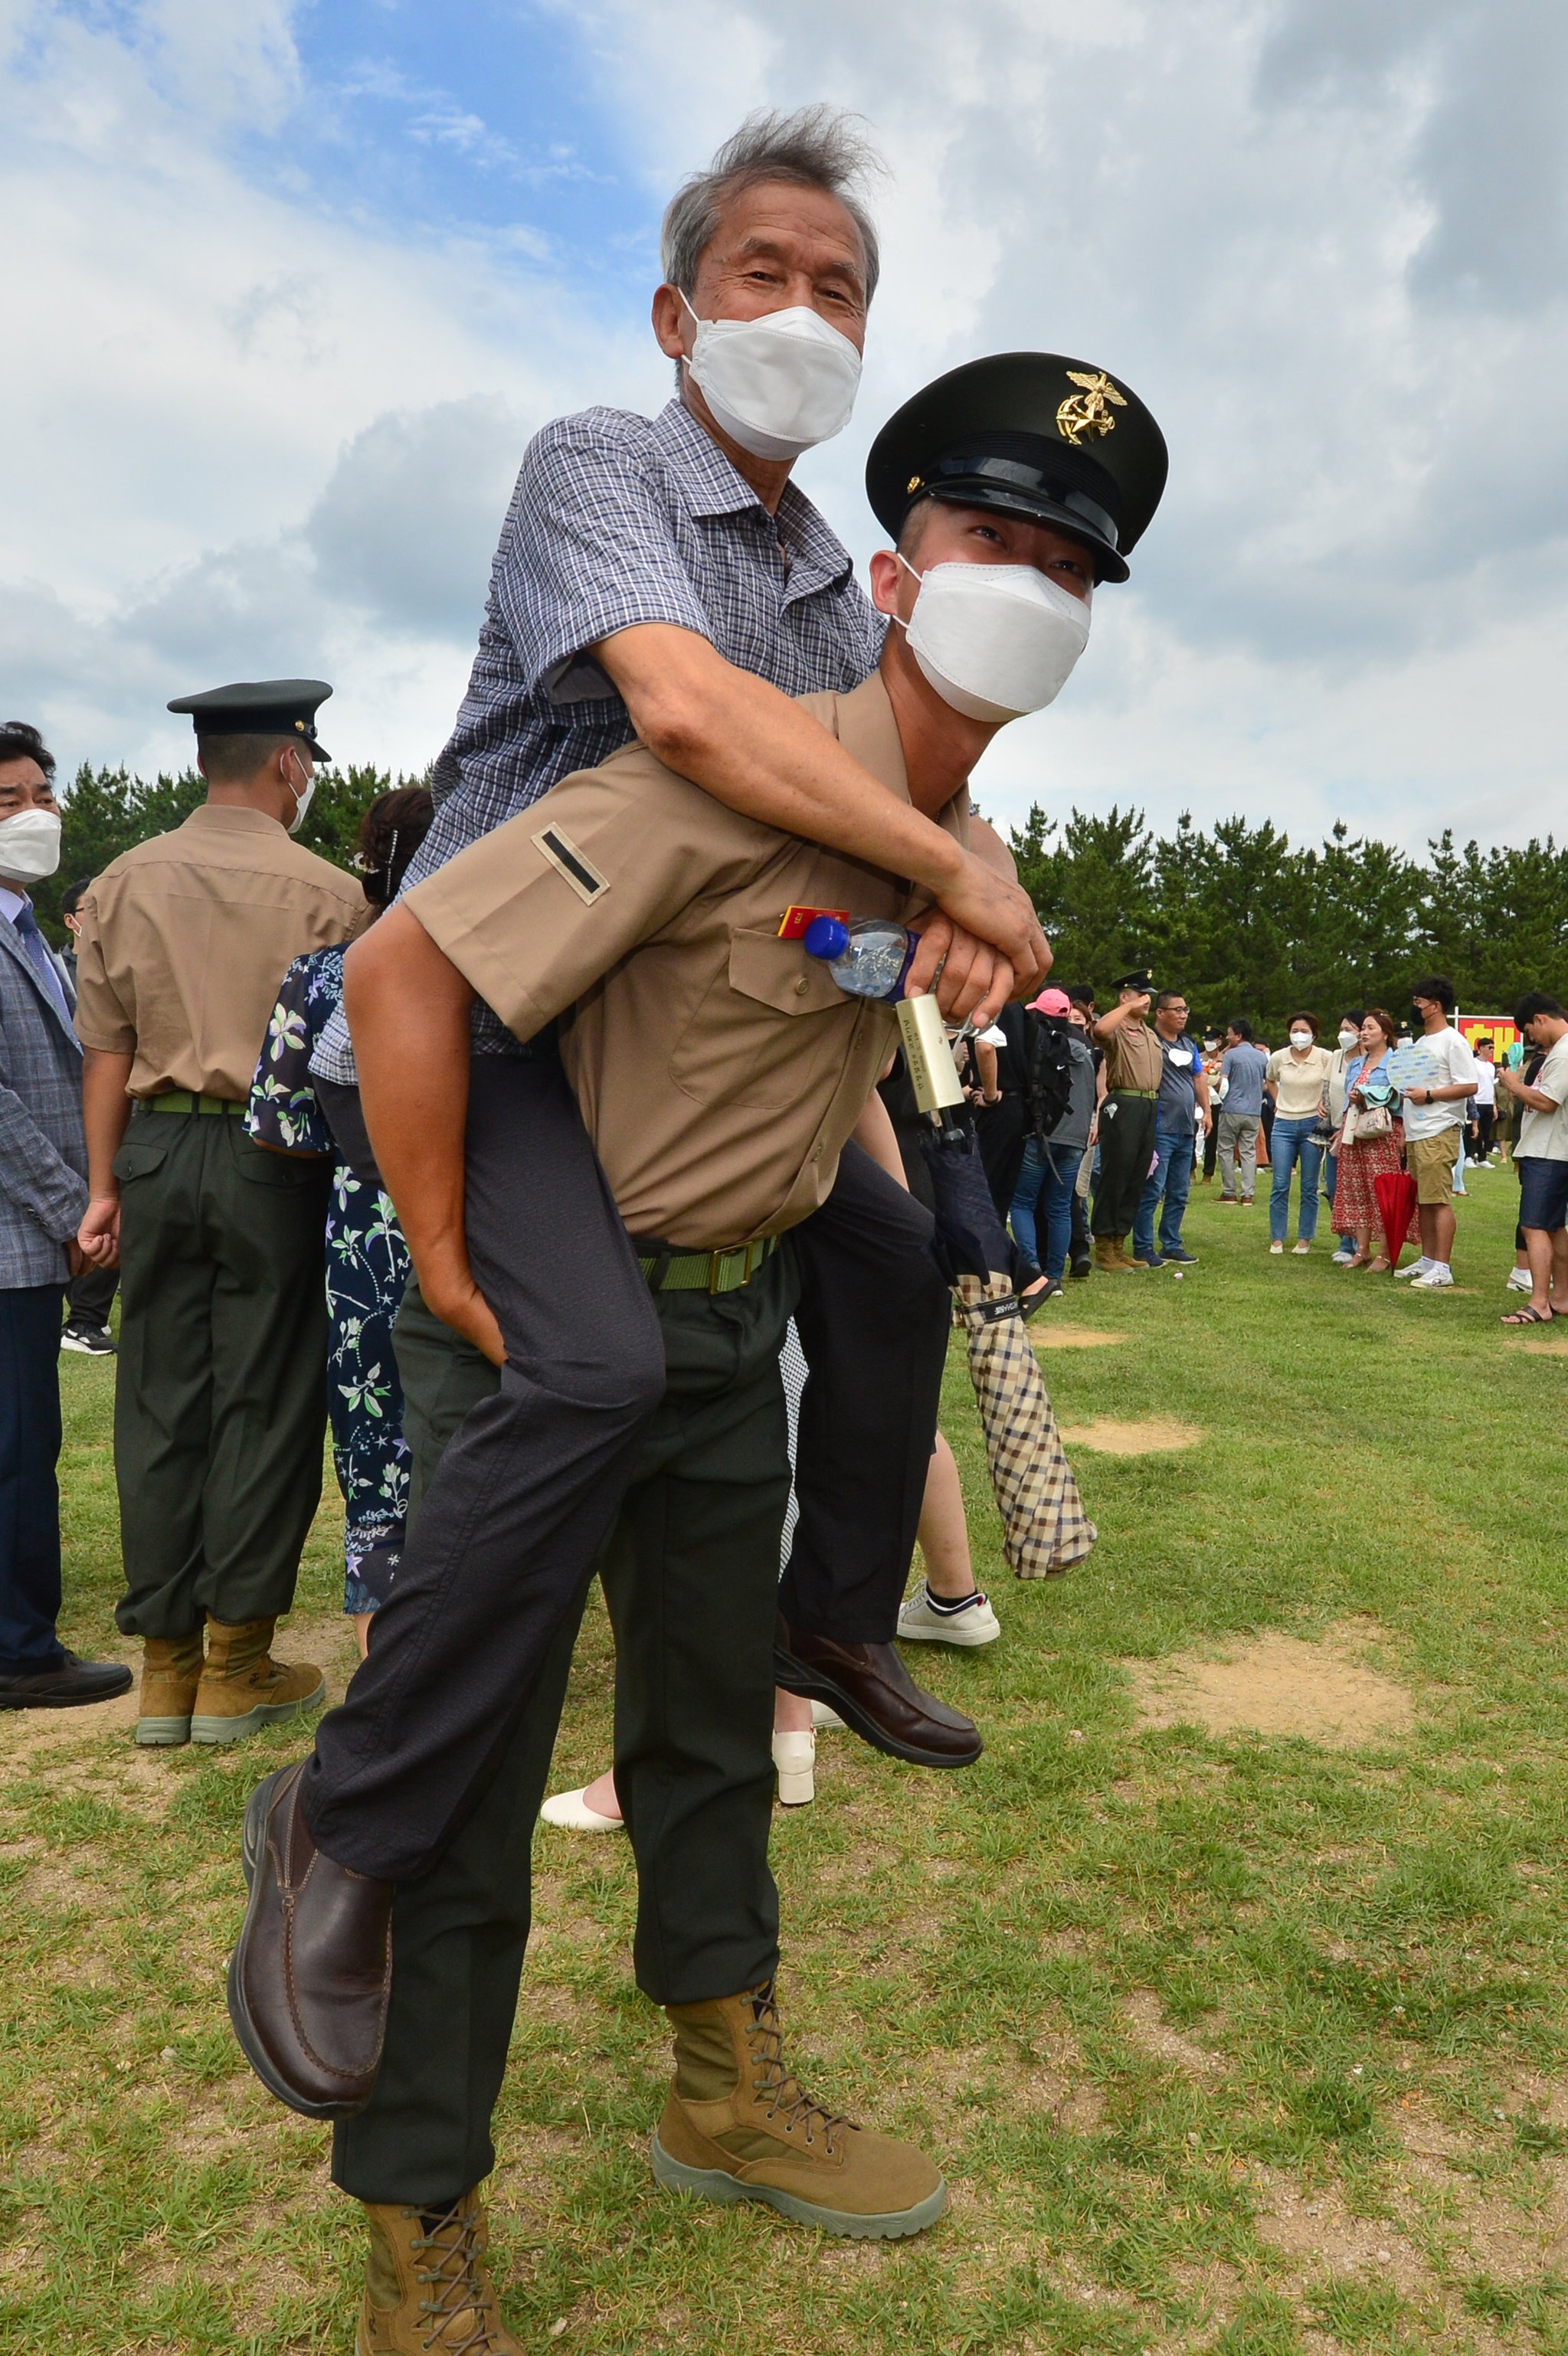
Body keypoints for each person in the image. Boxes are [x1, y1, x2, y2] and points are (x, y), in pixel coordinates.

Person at [225, 353, 1168, 2334]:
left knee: (710, 1748)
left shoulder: (945, 837)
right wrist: (446, 1256)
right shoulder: (708, 767)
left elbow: (819, 1056)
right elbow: (408, 965)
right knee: (471, 1781)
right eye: (986, 540)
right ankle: (417, 2214)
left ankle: (722, 2084)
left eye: (1072, 570)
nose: (1028, 588)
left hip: (735, 1337)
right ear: (887, 575)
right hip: (552, 1335)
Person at [303, 111, 1048, 1785]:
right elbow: (686, 713)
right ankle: (356, 1796)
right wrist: (949, 864)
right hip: (486, 1018)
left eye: (839, 290)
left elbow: (893, 756)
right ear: (675, 315)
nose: (801, 313)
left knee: (892, 1255)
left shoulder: (817, 565)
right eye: (760, 274)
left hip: (653, 1043)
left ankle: (838, 1616)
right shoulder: (603, 464)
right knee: (592, 1360)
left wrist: (973, 862)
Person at [72, 681, 366, 1746]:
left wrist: (105, 1186)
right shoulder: (331, 893)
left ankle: (164, 1673)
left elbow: (104, 1051)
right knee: (268, 1396)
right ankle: (236, 1663)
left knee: (156, 1396)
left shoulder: (120, 880)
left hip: (152, 1148)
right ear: (288, 762)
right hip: (274, 1157)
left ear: (207, 763)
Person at [246, 788, 434, 1655]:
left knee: (373, 1435)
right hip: (479, 1215)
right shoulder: (489, 967)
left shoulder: (318, 977)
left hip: (363, 1225)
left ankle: (382, 1646)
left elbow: (278, 1123)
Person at [0, 722, 132, 1713]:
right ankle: (19, 1648)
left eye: (41, 794)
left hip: (31, 1234)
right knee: (14, 1442)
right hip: (16, 1234)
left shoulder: (28, 931)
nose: (36, 816)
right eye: (10, 801)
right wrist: (76, 1209)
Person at [54, 877, 121, 1354]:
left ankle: (86, 1318)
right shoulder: (59, 970)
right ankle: (82, 1320)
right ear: (71, 921)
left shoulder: (120, 968)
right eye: (88, 908)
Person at [1008, 986, 1098, 1294]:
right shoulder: (1085, 1051)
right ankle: (1055, 1276)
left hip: (1042, 1135)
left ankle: (1033, 1271)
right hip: (1075, 1139)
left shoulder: (1040, 1045)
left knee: (1022, 1202)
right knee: (1060, 1206)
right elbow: (1089, 1096)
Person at [1393, 975, 1478, 1291]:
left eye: (1419, 1003)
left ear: (1436, 1006)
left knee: (1438, 1198)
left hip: (1439, 1127)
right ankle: (1428, 1259)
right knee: (1424, 1199)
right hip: (1418, 1130)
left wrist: (1429, 1095)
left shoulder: (1452, 1040)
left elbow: (1470, 1085)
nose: (1415, 1008)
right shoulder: (1421, 1042)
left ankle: (1443, 1266)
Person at [1498, 993, 1568, 1327]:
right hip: (1550, 1149)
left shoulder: (1565, 1050)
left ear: (1540, 1019)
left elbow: (1547, 1102)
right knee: (1554, 1228)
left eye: (1530, 1031)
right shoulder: (1559, 1051)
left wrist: (1514, 1084)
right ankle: (1561, 1297)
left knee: (1534, 1226)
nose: (1532, 1040)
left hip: (1549, 1151)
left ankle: (1539, 1300)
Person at [1131, 989, 1210, 1268]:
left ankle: (1171, 1244)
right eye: (1177, 1010)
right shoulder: (1150, 1041)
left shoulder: (1188, 1044)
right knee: (1153, 1190)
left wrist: (1207, 1111)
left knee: (1179, 1192)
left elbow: (1199, 1077)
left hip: (1186, 1128)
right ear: (1160, 1013)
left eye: (1186, 1010)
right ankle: (1142, 1247)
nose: (1183, 1015)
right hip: (1159, 1127)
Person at [1090, 971, 1163, 1269]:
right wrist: (1125, 1008)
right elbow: (1099, 1031)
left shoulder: (1148, 1032)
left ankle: (1120, 1242)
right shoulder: (1118, 1027)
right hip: (1124, 1102)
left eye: (1149, 994)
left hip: (1148, 1105)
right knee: (1116, 1174)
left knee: (1136, 1176)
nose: (1148, 999)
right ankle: (1104, 1246)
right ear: (1124, 996)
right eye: (1140, 994)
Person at [1331, 1010, 1403, 1270]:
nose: (1364, 1032)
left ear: (1385, 1033)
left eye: (1371, 1028)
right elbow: (1347, 1099)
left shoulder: (1396, 1063)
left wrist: (1367, 1096)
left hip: (1382, 1134)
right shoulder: (1356, 1064)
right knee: (1356, 1191)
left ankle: (1385, 1252)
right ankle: (1362, 1250)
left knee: (1382, 1193)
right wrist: (1341, 1129)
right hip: (1353, 1132)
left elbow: (1400, 1099)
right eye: (1363, 1028)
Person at [1265, 1013, 1332, 1254]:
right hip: (1283, 1123)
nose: (1299, 1035)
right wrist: (1277, 1100)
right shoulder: (1278, 1057)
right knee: (1280, 1183)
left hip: (1312, 1124)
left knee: (1309, 1185)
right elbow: (1270, 1079)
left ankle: (1305, 1238)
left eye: (1304, 1031)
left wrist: (1324, 1106)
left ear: (1314, 1033)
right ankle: (1277, 1238)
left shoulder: (1325, 1057)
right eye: (1294, 1030)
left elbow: (1333, 1085)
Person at [1324, 1007, 1365, 1264]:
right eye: (1342, 1028)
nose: (1343, 1034)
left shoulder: (1370, 1060)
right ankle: (1344, 1239)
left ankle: (1357, 1245)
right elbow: (1327, 1088)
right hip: (1334, 1131)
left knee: (1356, 1191)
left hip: (1359, 1131)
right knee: (1333, 1188)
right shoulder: (1336, 1057)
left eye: (1349, 1029)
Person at [1216, 1018, 1267, 1204]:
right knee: (1249, 1152)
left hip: (1231, 1108)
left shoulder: (1231, 1055)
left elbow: (1223, 1080)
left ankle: (1229, 1191)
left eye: (1230, 1033)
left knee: (1226, 1150)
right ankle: (1247, 1194)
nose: (1227, 1037)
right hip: (1254, 1111)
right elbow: (1267, 1084)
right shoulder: (1261, 1057)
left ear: (1238, 1035)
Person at [1469, 1038, 1498, 1163]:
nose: (1492, 1050)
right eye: (1489, 1047)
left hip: (1488, 1102)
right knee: (1475, 1131)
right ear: (1481, 1048)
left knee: (1486, 1132)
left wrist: (1494, 1105)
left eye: (1493, 1048)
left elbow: (1492, 1086)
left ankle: (1482, 1158)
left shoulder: (1491, 1067)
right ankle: (1470, 1156)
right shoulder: (1474, 1063)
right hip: (1477, 1101)